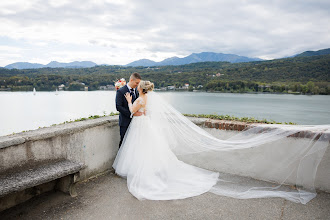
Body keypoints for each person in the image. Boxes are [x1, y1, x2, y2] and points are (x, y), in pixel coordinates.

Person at [113, 80, 330, 204]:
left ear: (140, 89)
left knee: (142, 151)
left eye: (137, 87)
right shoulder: (150, 99)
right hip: (146, 125)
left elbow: (132, 112)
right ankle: (151, 171)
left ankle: (145, 175)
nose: (137, 88)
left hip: (141, 125)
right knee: (149, 152)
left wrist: (130, 100)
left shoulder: (139, 98)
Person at [115, 72, 142, 148]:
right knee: (124, 143)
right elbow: (118, 107)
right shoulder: (121, 91)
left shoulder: (137, 91)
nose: (137, 85)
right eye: (137, 83)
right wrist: (132, 114)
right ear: (131, 80)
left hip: (136, 122)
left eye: (139, 83)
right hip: (125, 122)